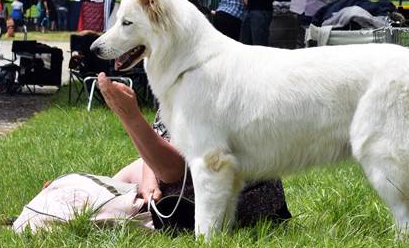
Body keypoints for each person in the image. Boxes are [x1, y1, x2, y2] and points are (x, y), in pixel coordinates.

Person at [93, 73, 291, 231]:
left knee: (112, 198)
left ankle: (96, 206)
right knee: (130, 174)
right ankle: (95, 202)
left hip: (242, 205)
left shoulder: (204, 88)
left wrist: (131, 117)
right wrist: (148, 179)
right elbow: (159, 136)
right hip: (220, 185)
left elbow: (172, 170)